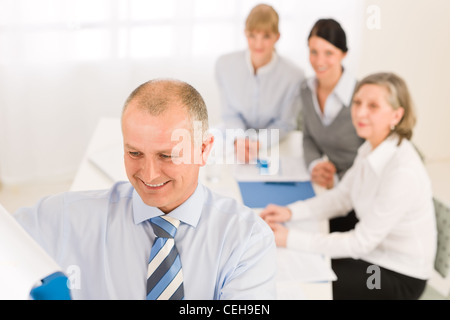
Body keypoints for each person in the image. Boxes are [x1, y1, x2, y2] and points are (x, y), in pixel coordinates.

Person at [14, 79, 277, 300]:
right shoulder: (65, 217)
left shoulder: (246, 241)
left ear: (204, 149)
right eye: (135, 153)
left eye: (166, 156)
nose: (149, 174)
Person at [260, 72, 437, 300]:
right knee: (307, 250)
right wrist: (291, 211)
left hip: (396, 275)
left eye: (373, 106)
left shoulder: (403, 171)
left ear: (397, 115)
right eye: (357, 102)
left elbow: (361, 242)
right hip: (374, 249)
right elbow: (342, 198)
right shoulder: (371, 147)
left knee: (313, 286)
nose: (360, 112)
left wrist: (289, 238)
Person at [215, 3, 305, 163]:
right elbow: (230, 114)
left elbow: (285, 123)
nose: (258, 44)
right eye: (252, 36)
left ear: (277, 37)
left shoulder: (294, 76)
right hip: (233, 139)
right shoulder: (224, 66)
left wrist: (258, 143)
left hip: (274, 142)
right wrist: (239, 140)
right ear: (245, 34)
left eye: (266, 36)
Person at [301, 18, 364, 232]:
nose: (319, 60)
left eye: (329, 53)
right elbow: (308, 136)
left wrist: (335, 180)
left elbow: (372, 160)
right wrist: (315, 165)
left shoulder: (361, 98)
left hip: (358, 199)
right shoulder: (306, 90)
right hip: (328, 191)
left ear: (343, 54)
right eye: (314, 51)